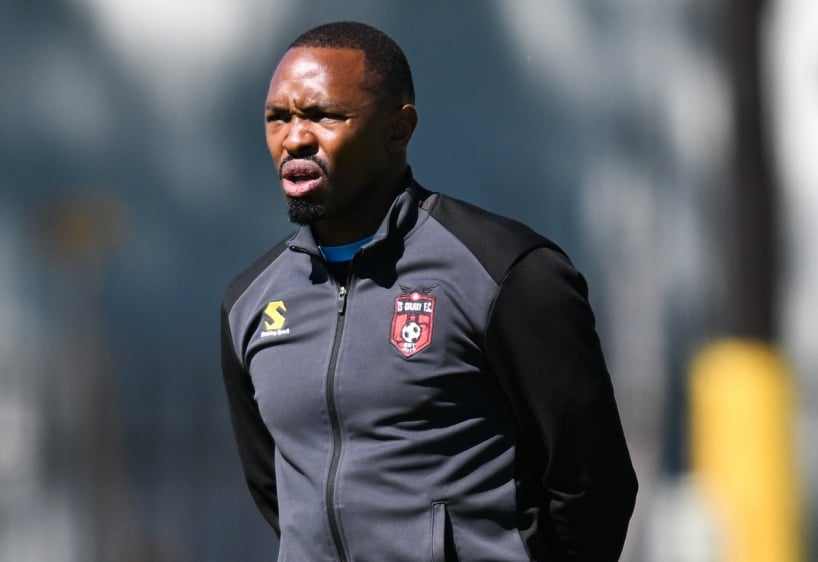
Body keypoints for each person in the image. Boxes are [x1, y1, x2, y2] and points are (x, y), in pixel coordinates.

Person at [221, 21, 637, 561]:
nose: (295, 138)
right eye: (278, 118)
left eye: (324, 115)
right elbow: (277, 493)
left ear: (398, 129)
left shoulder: (506, 273)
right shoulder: (251, 303)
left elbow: (592, 484)